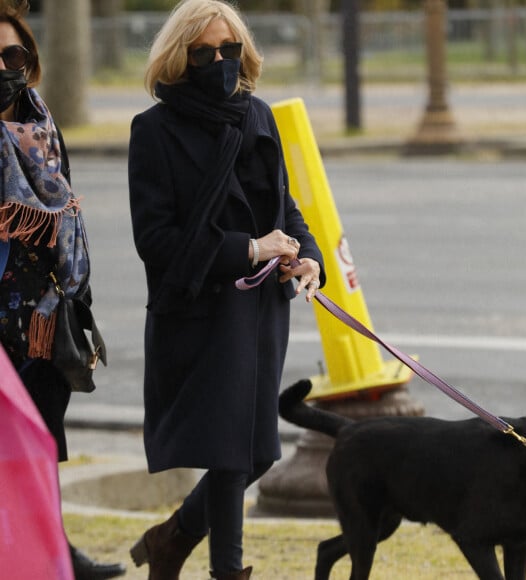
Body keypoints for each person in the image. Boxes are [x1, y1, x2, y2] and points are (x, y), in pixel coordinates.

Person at [127, 0, 326, 578]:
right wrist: (250, 248)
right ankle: (227, 571)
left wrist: (307, 259)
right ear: (178, 56)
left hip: (261, 309)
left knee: (258, 451)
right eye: (204, 51)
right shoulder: (154, 130)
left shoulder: (257, 116)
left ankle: (173, 538)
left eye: (229, 49)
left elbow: (284, 209)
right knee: (230, 451)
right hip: (199, 309)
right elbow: (156, 239)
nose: (219, 60)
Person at [0, 2, 126, 579]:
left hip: (47, 313)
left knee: (42, 439)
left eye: (11, 54)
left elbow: (68, 212)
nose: (4, 66)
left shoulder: (41, 122)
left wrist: (79, 299)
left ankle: (54, 552)